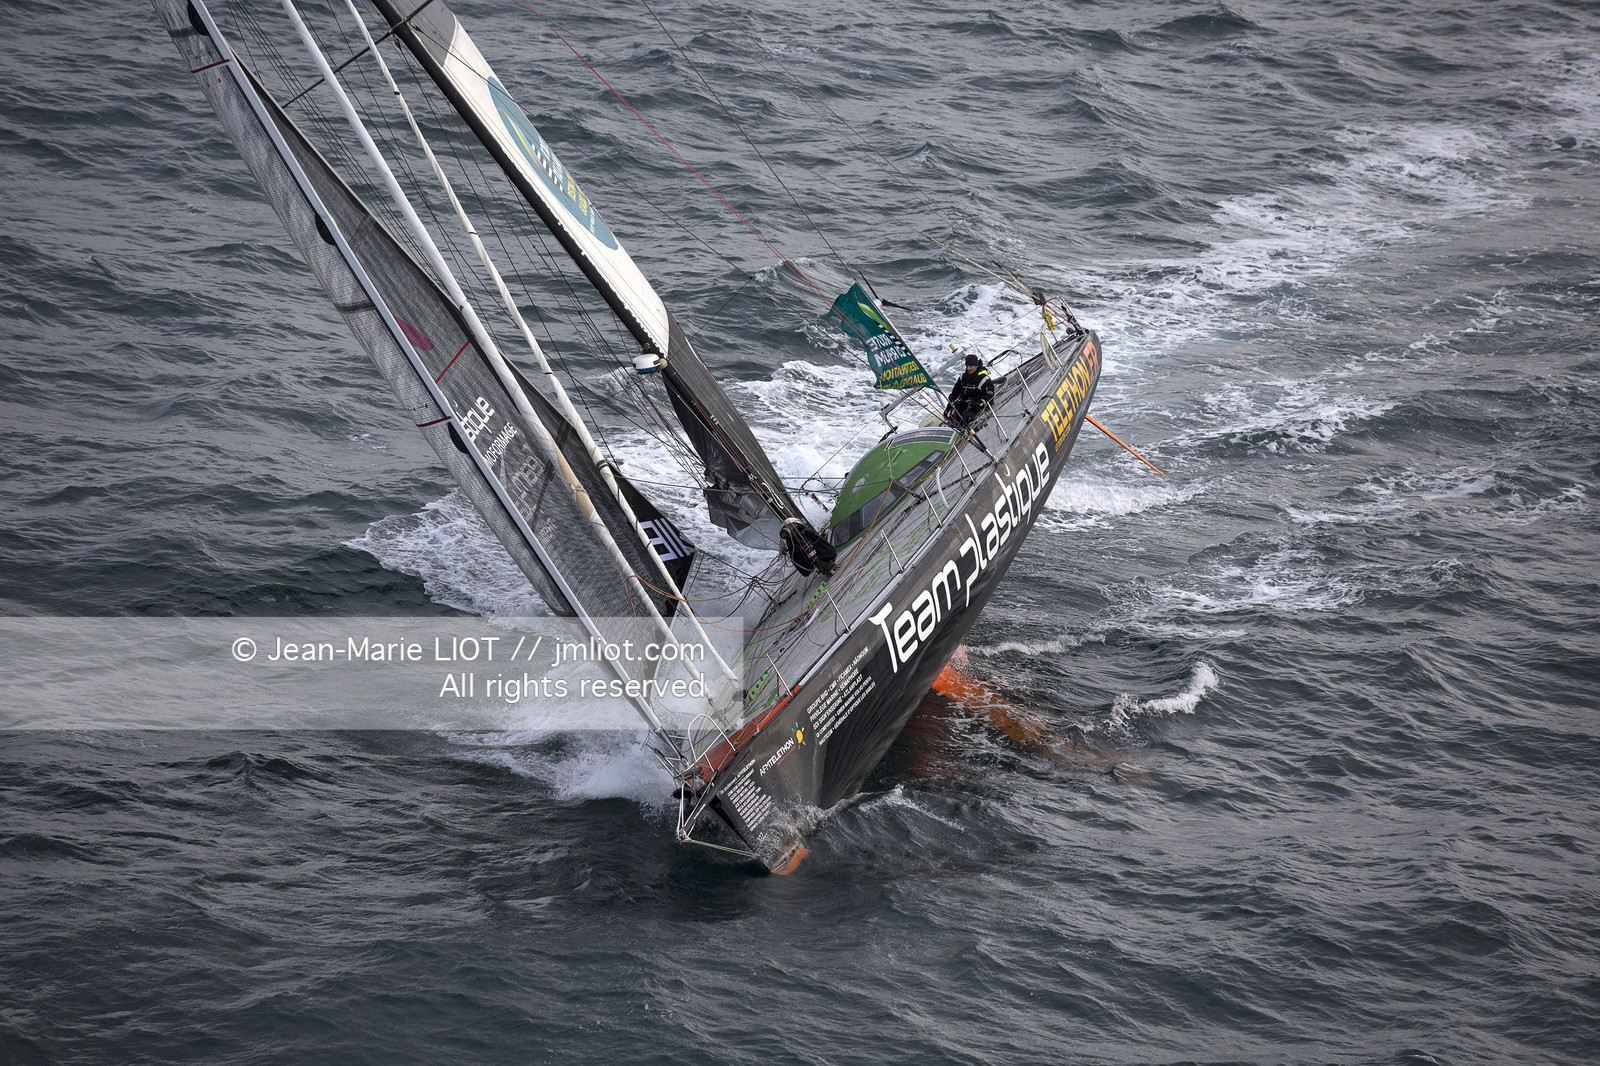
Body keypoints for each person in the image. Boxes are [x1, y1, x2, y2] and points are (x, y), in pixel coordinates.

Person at [944, 353, 994, 427]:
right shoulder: (963, 377)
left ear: (976, 366)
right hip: (965, 401)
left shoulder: (984, 379)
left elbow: (990, 394)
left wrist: (981, 403)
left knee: (969, 417)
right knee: (957, 411)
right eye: (967, 366)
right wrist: (949, 405)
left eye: (970, 366)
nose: (968, 368)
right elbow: (955, 391)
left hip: (978, 404)